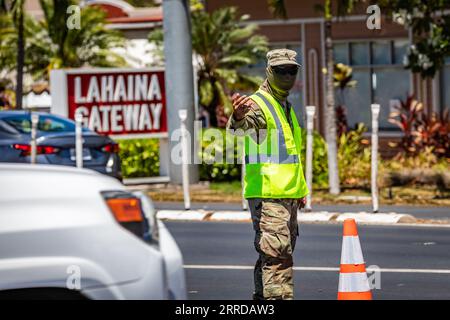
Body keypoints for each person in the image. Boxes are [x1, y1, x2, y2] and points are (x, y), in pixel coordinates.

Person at [226, 48, 309, 300]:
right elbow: (240, 131)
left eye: (291, 70)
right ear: (269, 72)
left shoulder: (285, 106)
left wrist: (300, 192)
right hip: (268, 195)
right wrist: (238, 117)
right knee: (277, 259)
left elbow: (290, 156)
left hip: (288, 196)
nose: (287, 75)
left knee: (274, 256)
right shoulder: (258, 104)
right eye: (280, 70)